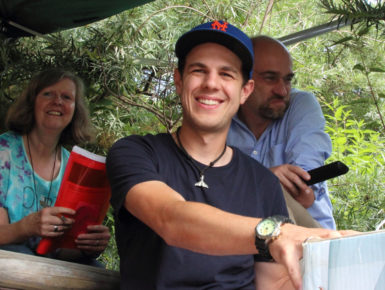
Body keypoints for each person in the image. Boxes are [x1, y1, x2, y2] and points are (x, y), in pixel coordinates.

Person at [107, 20, 351, 289]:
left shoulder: (263, 182)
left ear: (245, 90)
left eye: (226, 74)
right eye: (199, 70)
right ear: (179, 80)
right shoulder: (136, 153)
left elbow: (271, 281)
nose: (211, 84)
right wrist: (273, 233)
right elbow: (171, 218)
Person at [0, 68, 110, 266]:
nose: (57, 101)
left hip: (46, 263)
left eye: (66, 97)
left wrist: (88, 245)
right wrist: (26, 227)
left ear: (76, 109)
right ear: (32, 102)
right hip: (10, 260)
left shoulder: (74, 166)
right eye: (48, 94)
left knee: (97, 269)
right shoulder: (4, 152)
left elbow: (61, 253)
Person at [227, 35, 336, 229]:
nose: (282, 91)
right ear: (242, 79)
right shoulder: (222, 117)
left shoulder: (300, 105)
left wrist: (250, 184)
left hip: (311, 239)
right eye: (270, 78)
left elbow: (304, 181)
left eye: (287, 80)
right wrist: (265, 179)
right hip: (243, 241)